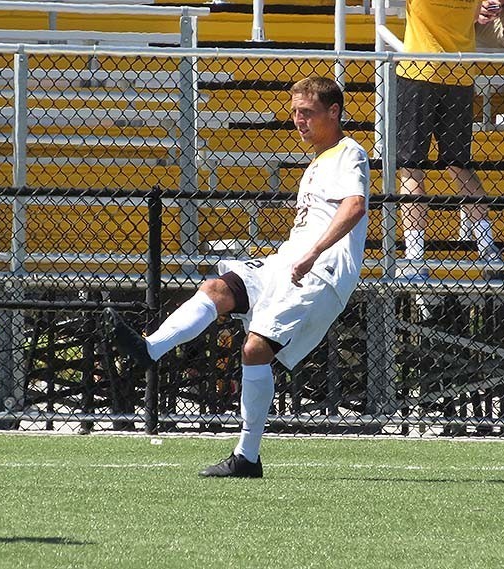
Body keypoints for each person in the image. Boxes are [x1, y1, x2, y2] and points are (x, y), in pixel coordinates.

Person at [106, 77, 369, 478]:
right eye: (295, 112)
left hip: (322, 272)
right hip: (288, 263)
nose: (298, 120)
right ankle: (150, 349)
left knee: (256, 349)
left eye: (307, 112)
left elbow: (355, 206)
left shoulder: (349, 152)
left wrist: (314, 253)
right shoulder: (318, 160)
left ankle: (247, 456)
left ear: (334, 112)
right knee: (217, 288)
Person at [396, 0, 504, 282]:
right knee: (460, 165)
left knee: (411, 169)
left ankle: (415, 256)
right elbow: (482, 12)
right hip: (460, 74)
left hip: (419, 70)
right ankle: (487, 248)